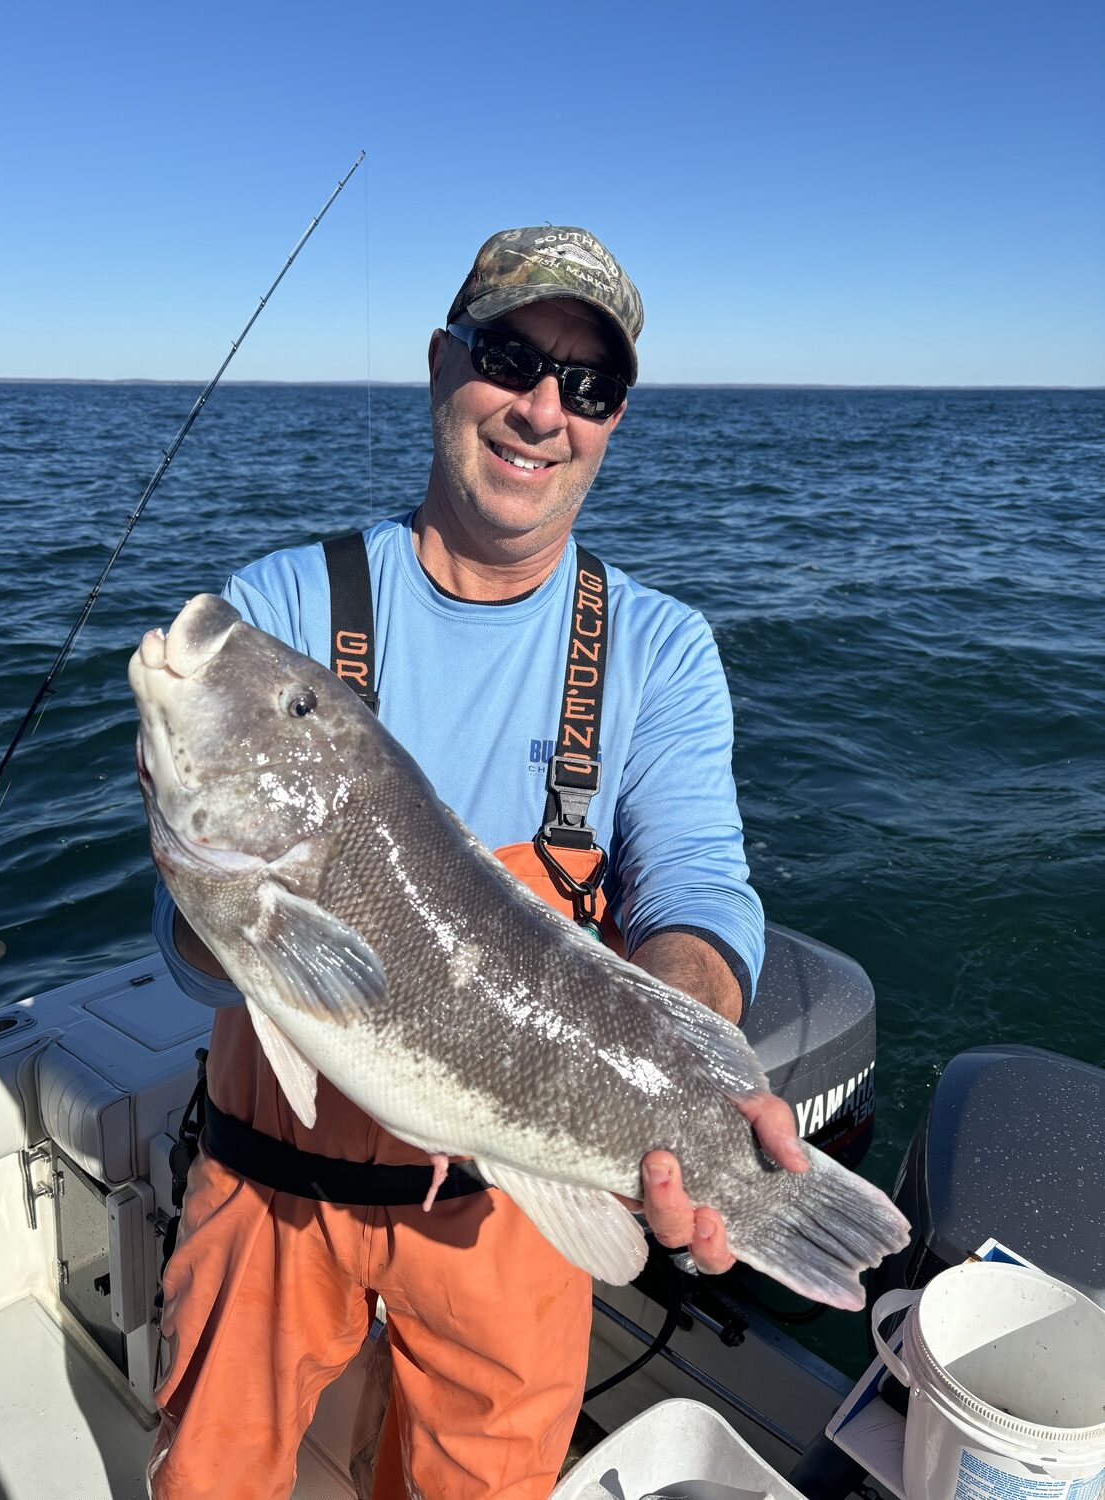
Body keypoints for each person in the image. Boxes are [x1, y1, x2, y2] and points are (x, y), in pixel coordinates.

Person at [147, 225, 806, 1500]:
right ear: (445, 363)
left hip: (516, 1202)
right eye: (511, 356)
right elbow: (186, 954)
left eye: (589, 385)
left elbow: (697, 899)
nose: (543, 409)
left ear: (613, 421)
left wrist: (682, 1069)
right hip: (269, 1182)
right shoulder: (278, 608)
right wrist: (207, 884)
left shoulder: (661, 652)